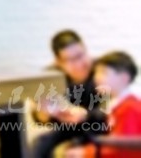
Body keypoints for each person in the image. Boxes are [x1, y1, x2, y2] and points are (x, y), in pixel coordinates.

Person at [32, 30, 108, 158]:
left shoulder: (103, 71)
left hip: (99, 127)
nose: (79, 63)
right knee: (40, 144)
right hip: (68, 129)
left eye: (81, 55)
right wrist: (44, 113)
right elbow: (41, 119)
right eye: (71, 60)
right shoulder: (51, 77)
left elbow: (111, 110)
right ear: (58, 62)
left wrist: (85, 115)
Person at [64, 51, 141, 158]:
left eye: (103, 73)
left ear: (124, 78)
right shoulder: (117, 106)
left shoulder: (130, 108)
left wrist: (86, 153)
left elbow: (124, 150)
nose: (97, 77)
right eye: (96, 73)